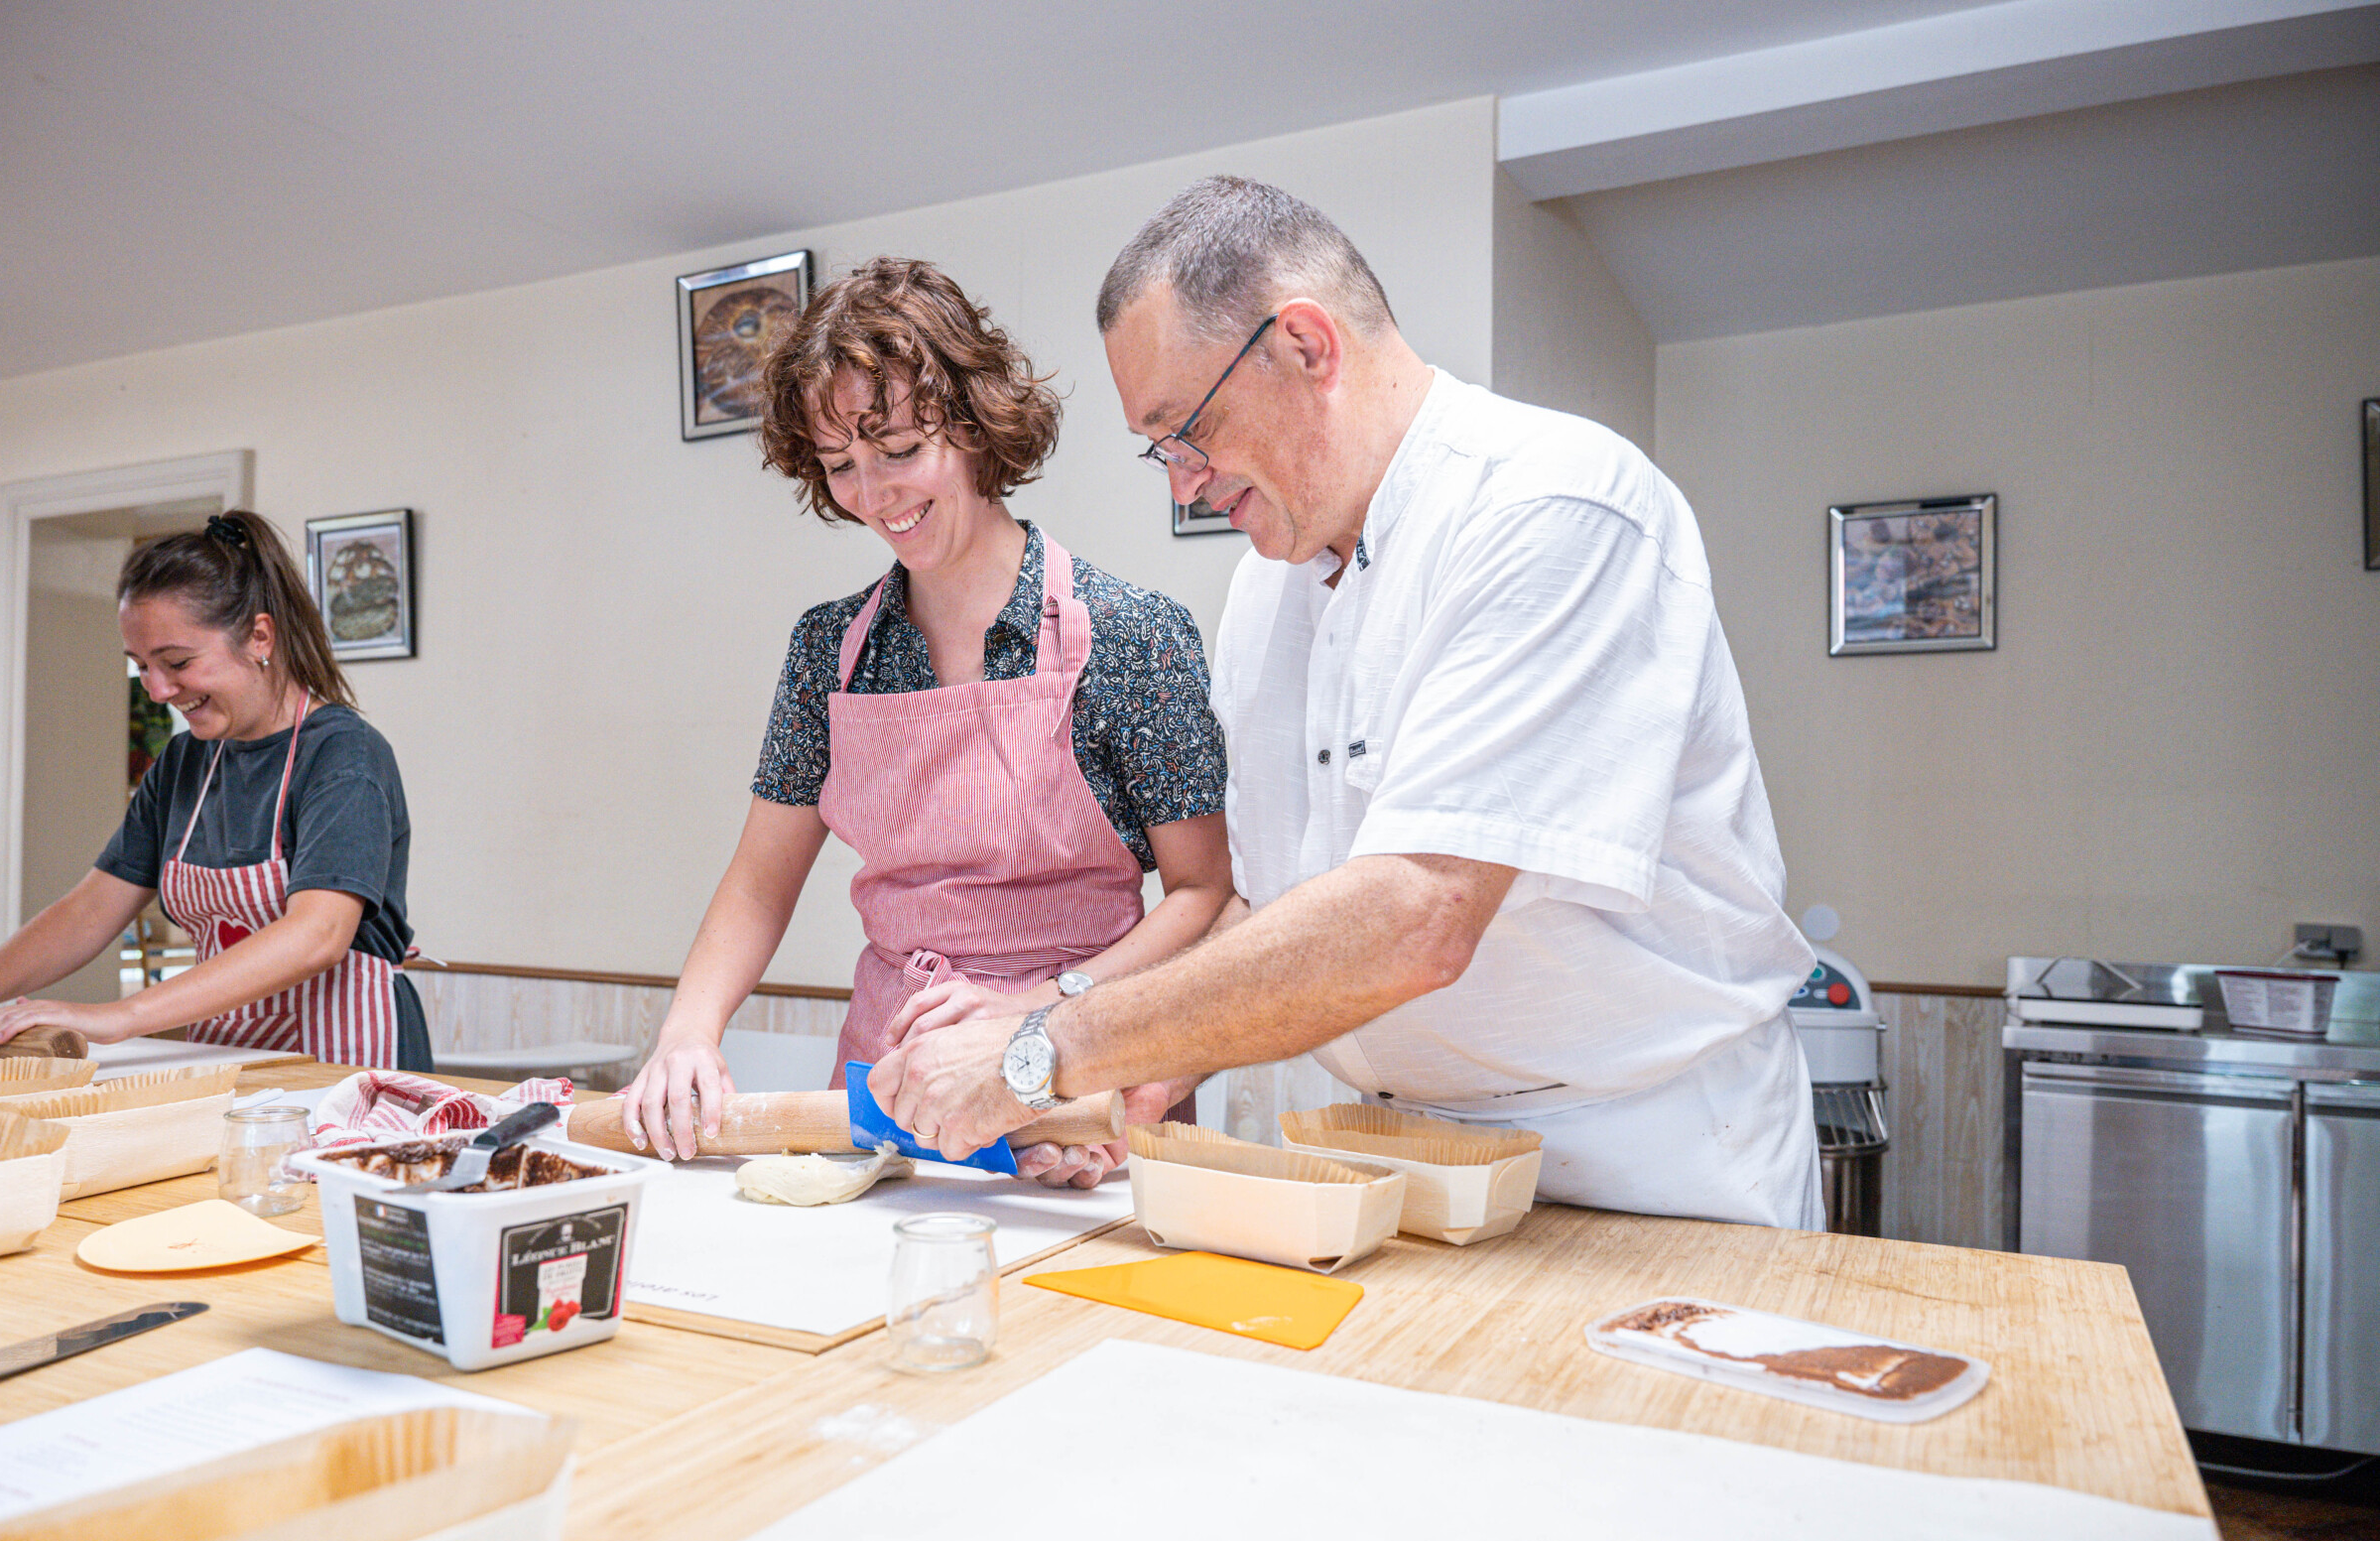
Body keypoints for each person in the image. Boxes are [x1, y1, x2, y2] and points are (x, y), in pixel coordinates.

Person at [873, 178, 1825, 1229]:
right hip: (1389, 1151)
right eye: (1160, 449)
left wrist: (1042, 1048)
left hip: (1643, 1161)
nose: (1181, 484)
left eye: (1186, 431)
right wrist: (1119, 1041)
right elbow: (1270, 902)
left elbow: (1416, 911)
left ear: (1306, 345)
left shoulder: (1552, 505)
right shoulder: (1267, 589)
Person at [615, 257, 1231, 1185]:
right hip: (884, 1095)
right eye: (841, 466)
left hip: (1078, 1088)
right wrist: (686, 1034)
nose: (874, 493)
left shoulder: (1133, 636)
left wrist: (1035, 1012)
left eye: (900, 450)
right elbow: (758, 881)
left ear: (979, 427)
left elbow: (1203, 893)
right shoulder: (829, 651)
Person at [0, 511, 433, 1069]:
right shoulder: (185, 763)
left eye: (177, 662)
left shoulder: (343, 755)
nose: (156, 691)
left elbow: (318, 933)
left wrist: (117, 1016)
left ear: (259, 636)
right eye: (141, 667)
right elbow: (92, 908)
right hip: (226, 1058)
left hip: (347, 1063)